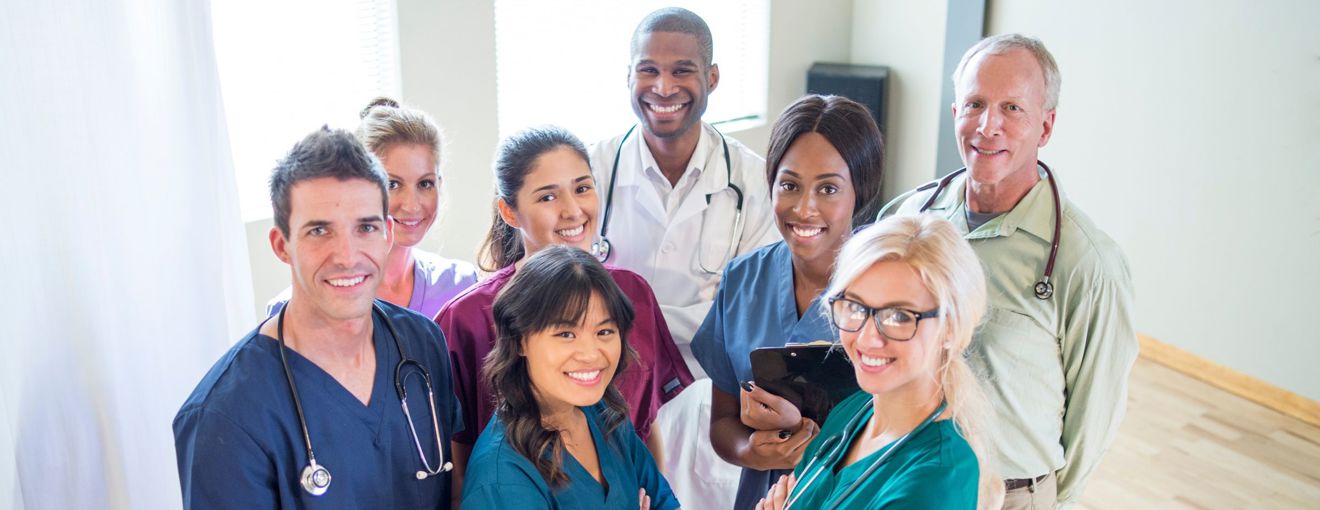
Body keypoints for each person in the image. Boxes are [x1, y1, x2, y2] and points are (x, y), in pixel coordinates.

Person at [879, 34, 1137, 509]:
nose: (988, 125)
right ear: (955, 112)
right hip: (904, 476)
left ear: (1046, 126)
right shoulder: (906, 219)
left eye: (1012, 108)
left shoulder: (1087, 263)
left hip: (1010, 495)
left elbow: (1093, 418)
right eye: (975, 104)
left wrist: (1043, 499)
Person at [174, 127, 463, 508]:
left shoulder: (422, 343)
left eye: (366, 227)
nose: (347, 256)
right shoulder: (226, 414)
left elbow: (455, 491)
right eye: (319, 230)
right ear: (282, 245)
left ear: (387, 234)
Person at [436, 126, 693, 501]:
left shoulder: (632, 294)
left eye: (583, 188)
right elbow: (459, 460)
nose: (573, 210)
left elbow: (645, 423)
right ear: (509, 211)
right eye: (548, 196)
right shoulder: (467, 318)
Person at [589, 9, 780, 506]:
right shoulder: (593, 171)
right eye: (648, 70)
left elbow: (749, 320)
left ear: (712, 78)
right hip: (610, 403)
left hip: (710, 407)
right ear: (628, 76)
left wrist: (631, 323)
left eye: (682, 70)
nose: (663, 87)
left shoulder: (754, 183)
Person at [692, 95, 886, 510]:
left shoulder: (891, 291)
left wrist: (814, 442)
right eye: (789, 185)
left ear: (860, 190)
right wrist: (752, 451)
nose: (804, 208)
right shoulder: (743, 279)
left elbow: (913, 432)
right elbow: (722, 423)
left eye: (828, 189)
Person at [753, 214, 1003, 510]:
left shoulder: (937, 480)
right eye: (856, 307)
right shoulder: (854, 410)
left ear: (950, 327)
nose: (867, 337)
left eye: (899, 316)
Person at [461, 245, 681, 509]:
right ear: (519, 341)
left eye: (604, 332)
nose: (590, 354)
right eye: (566, 334)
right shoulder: (504, 478)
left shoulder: (605, 417)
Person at [268, 98, 478, 319]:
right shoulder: (289, 311)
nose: (412, 205)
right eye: (393, 184)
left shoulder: (461, 285)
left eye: (425, 184)